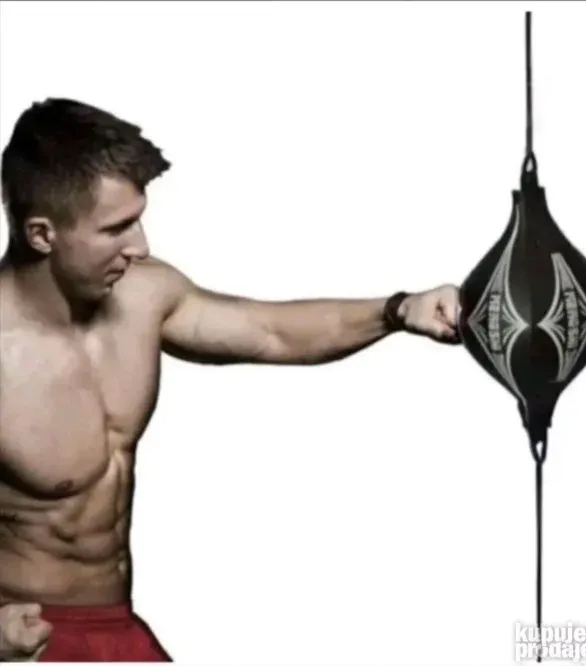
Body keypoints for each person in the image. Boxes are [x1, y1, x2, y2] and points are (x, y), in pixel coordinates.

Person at [0, 98, 461, 662]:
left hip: (118, 624)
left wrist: (399, 309)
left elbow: (271, 332)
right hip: (30, 639)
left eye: (138, 219)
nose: (141, 246)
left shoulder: (143, 296)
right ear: (42, 235)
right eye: (116, 228)